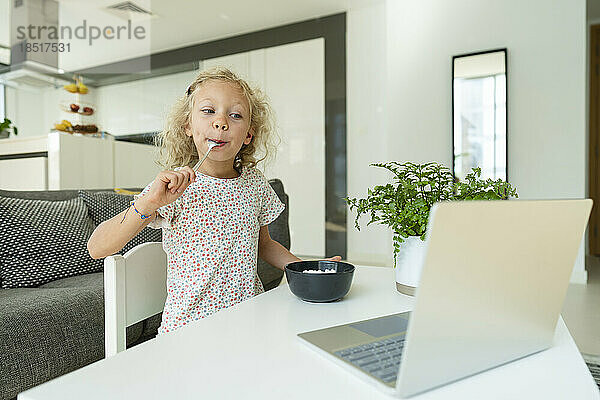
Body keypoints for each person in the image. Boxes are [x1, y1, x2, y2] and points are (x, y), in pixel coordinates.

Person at [87, 67, 341, 334]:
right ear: (187, 125)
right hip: (188, 332)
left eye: (235, 115)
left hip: (248, 322)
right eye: (208, 111)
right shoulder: (172, 188)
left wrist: (309, 270)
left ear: (248, 135)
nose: (221, 122)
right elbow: (97, 248)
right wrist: (148, 203)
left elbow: (265, 244)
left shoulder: (254, 183)